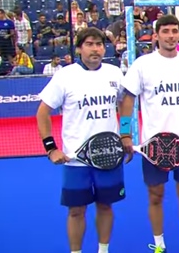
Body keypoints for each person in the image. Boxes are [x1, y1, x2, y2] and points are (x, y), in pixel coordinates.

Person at [36, 27, 127, 253]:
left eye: (99, 44)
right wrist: (51, 149)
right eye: (89, 44)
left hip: (108, 156)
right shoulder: (65, 76)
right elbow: (42, 113)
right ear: (79, 48)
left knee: (105, 206)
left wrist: (125, 133)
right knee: (76, 211)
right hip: (76, 160)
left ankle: (103, 250)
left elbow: (125, 104)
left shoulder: (114, 73)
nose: (95, 49)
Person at [119, 14, 179, 253]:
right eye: (165, 31)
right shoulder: (142, 64)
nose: (170, 35)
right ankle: (159, 245)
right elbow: (127, 100)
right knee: (155, 195)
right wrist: (125, 134)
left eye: (174, 31)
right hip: (154, 147)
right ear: (156, 36)